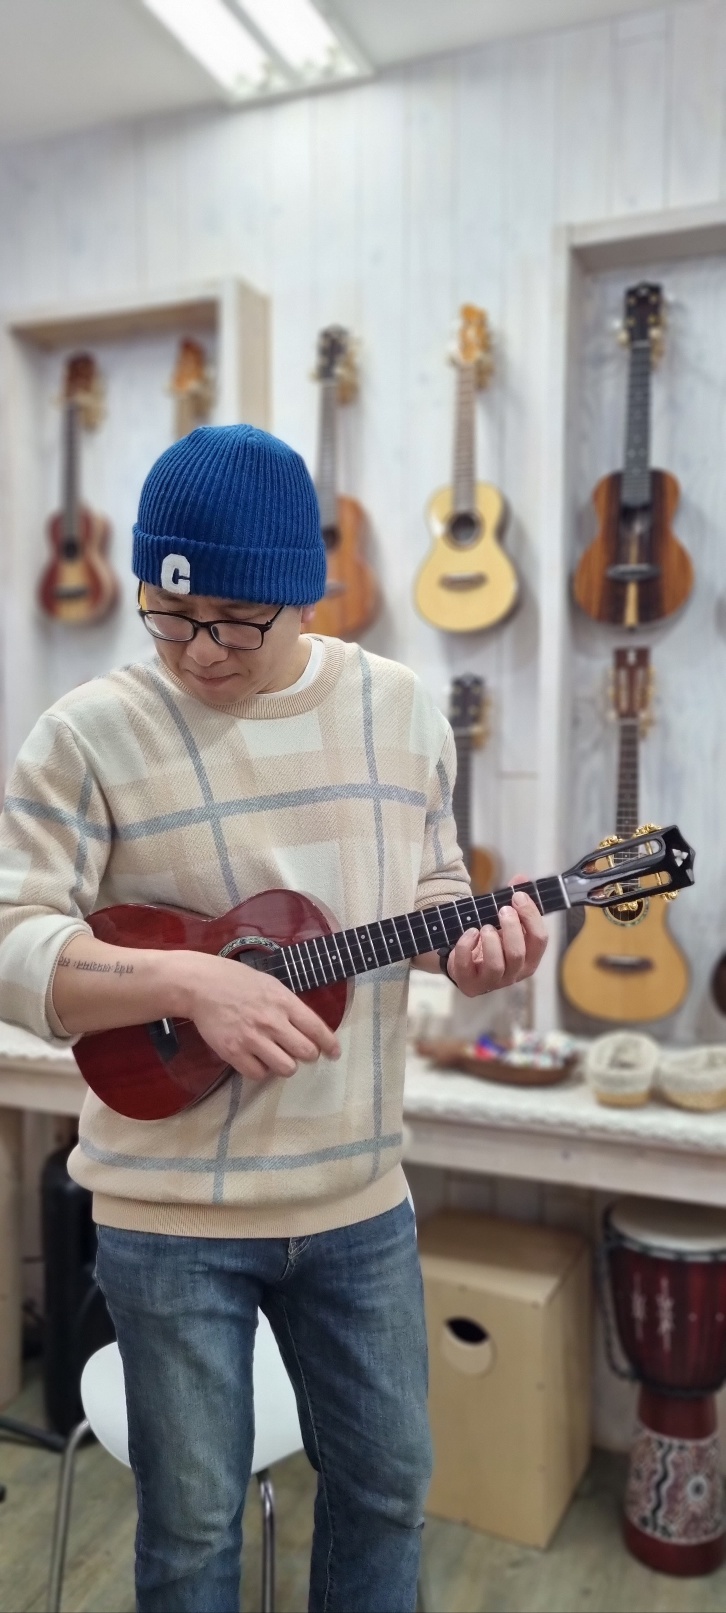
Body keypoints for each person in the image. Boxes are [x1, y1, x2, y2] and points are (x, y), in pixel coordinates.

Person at [0, 424, 547, 1613]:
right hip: (165, 1215)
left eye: (236, 621)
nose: (199, 649)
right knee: (193, 1526)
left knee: (389, 1490)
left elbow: (432, 888)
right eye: (168, 615)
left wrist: (470, 948)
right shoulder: (86, 731)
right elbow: (11, 938)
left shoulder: (401, 709)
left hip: (358, 1200)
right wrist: (186, 983)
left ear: (308, 592)